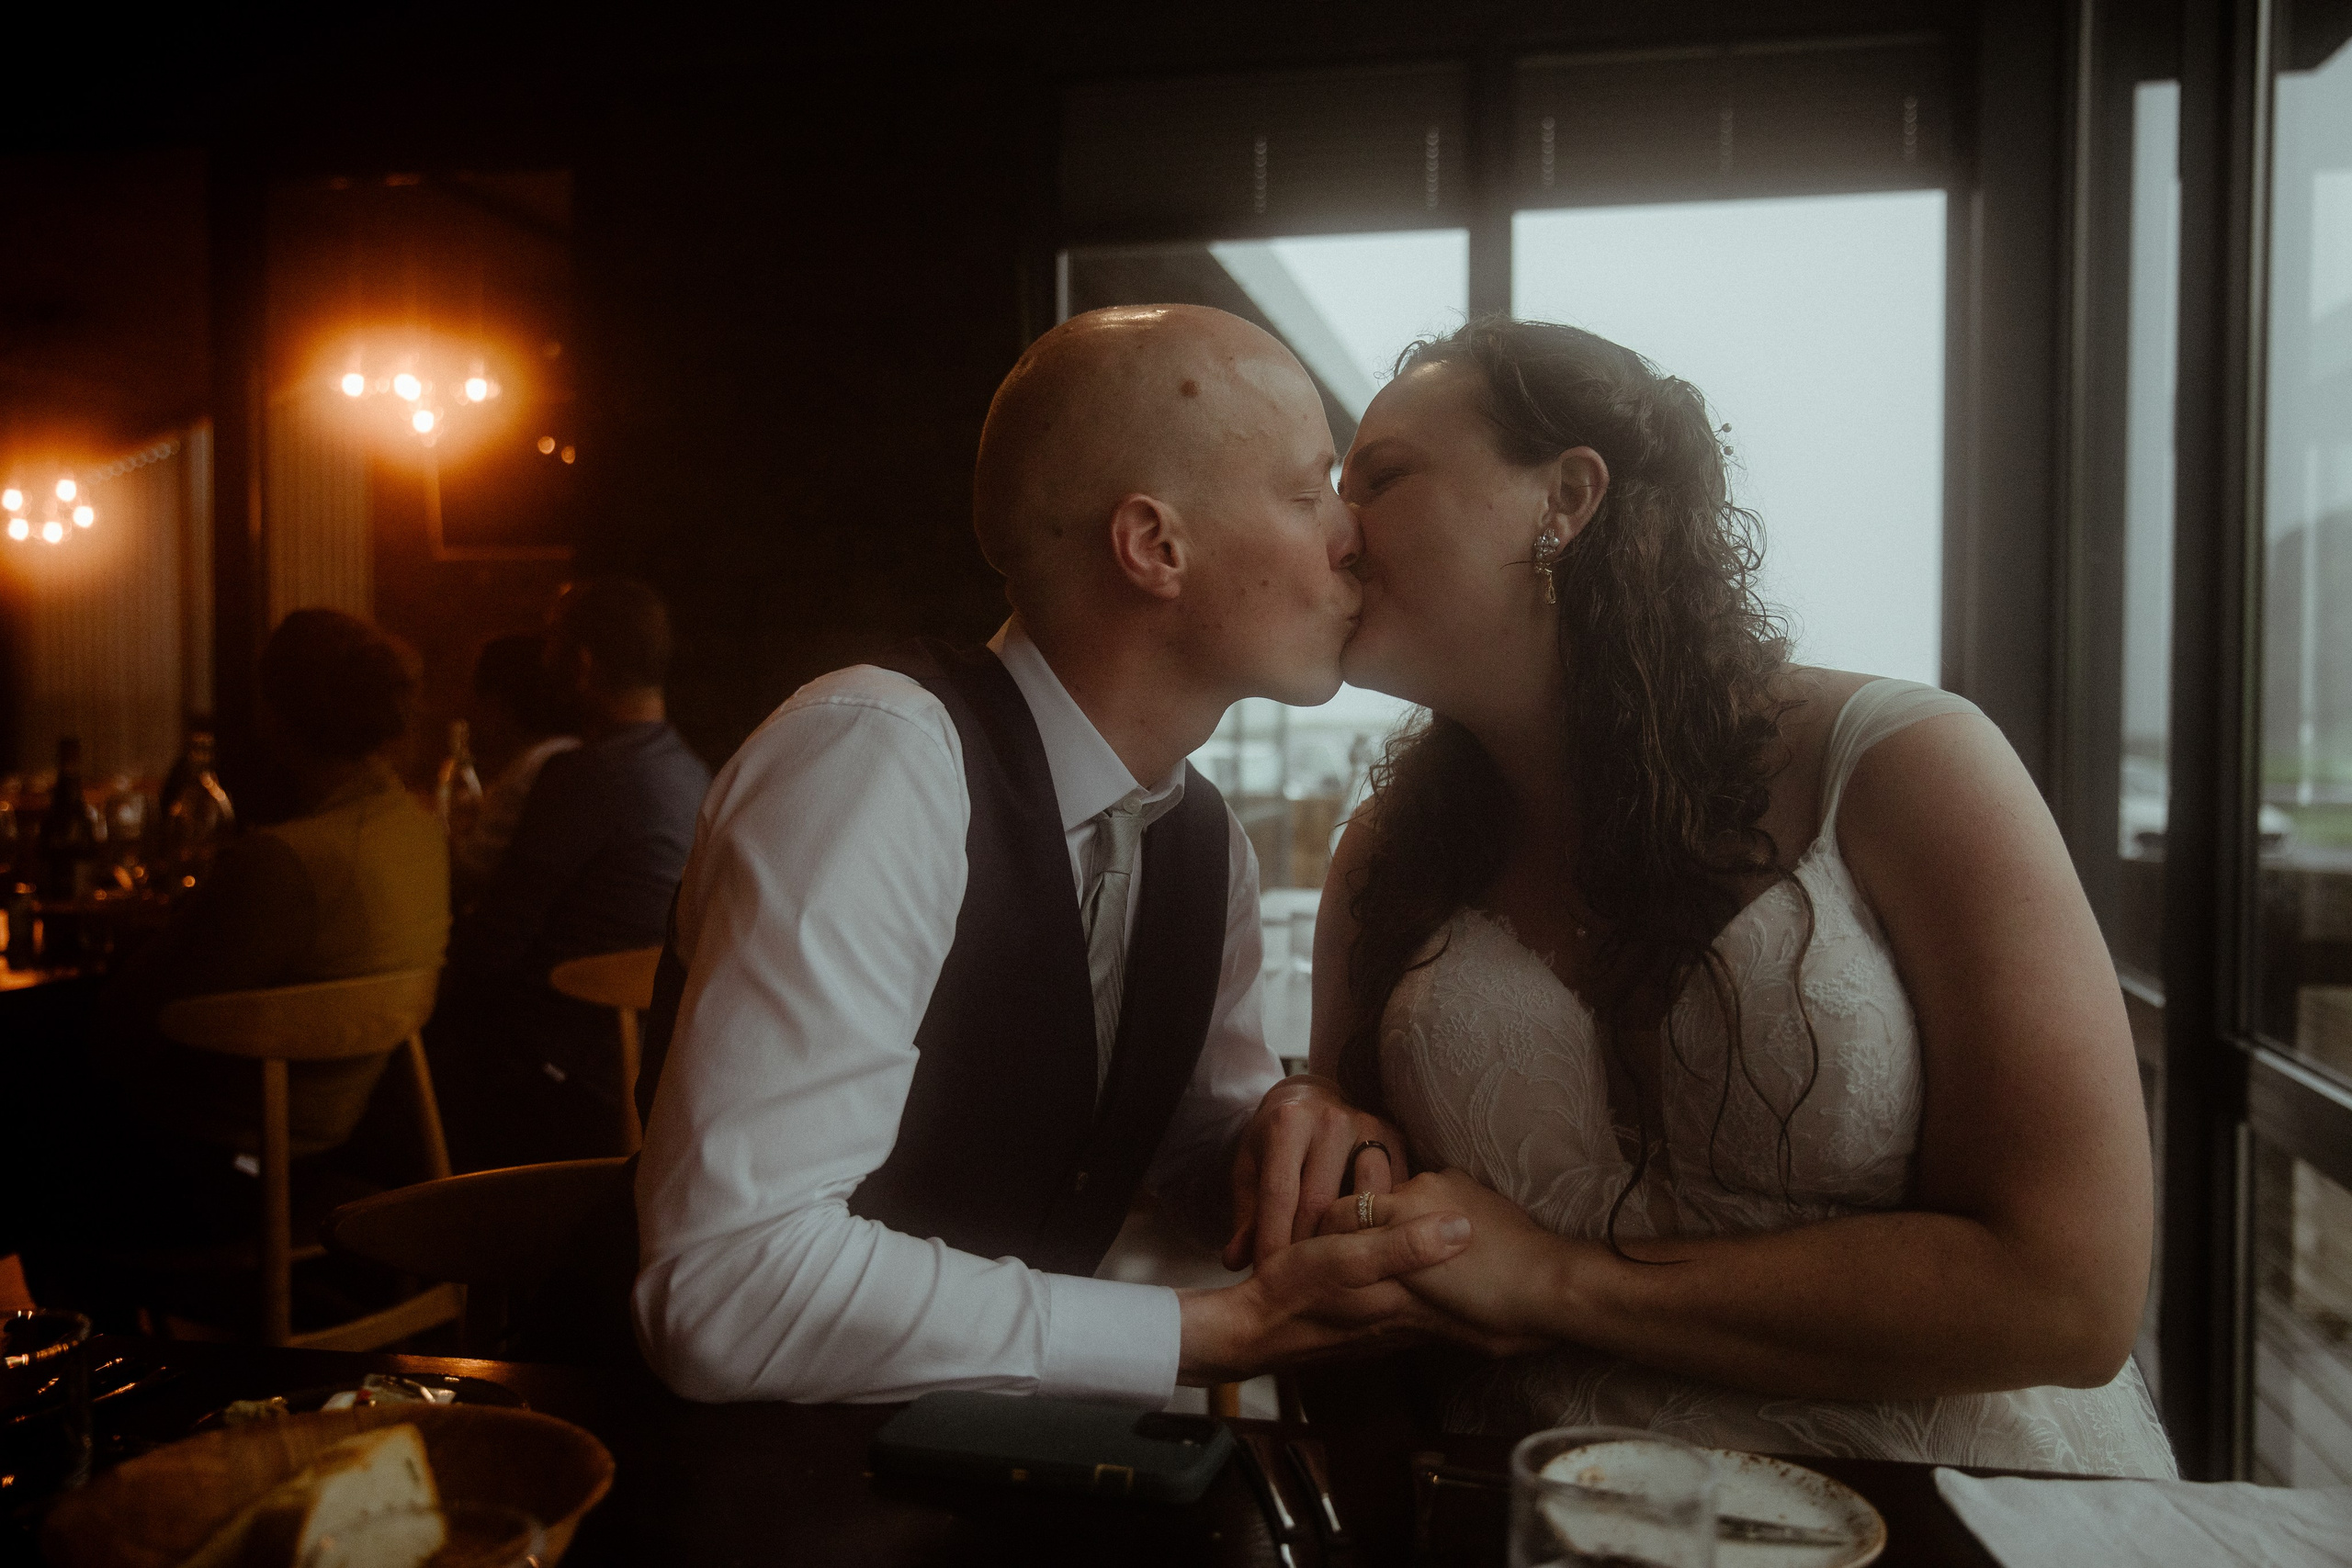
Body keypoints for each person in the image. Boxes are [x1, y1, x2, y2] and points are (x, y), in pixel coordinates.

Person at [1301, 317, 2178, 1476]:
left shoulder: (1903, 766)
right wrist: (1312, 1131)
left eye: (1382, 478)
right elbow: (1358, 1277)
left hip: (1962, 1519)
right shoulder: (1380, 859)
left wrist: (1560, 1283)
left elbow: (2070, 1296)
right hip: (1538, 1522)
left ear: (1564, 497)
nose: (1333, 530)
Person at [632, 304, 1484, 1406]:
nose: (1351, 535)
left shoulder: (1197, 836)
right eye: (1306, 488)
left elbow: (1183, 1150)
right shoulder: (879, 755)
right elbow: (727, 1288)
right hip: (724, 1485)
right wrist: (1206, 1334)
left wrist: (1287, 1133)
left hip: (998, 1478)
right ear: (1153, 547)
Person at [36, 609, 448, 1317]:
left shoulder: (285, 862)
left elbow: (126, 1023)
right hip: (339, 1146)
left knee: (36, 1108)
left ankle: (92, 1371)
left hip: (228, 1176)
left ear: (275, 713)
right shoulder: (416, 830)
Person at [440, 579, 710, 1167]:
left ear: (582, 664)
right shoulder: (694, 775)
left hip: (558, 1083)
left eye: (550, 645)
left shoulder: (578, 778)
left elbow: (491, 949)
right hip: (649, 1070)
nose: (541, 662)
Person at [450, 632, 579, 895]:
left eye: (476, 695)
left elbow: (467, 871)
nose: (468, 710)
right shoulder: (568, 752)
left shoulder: (533, 769)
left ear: (497, 704)